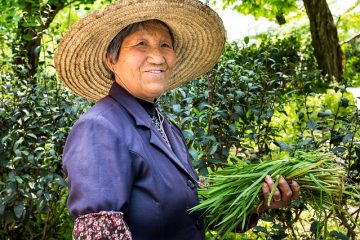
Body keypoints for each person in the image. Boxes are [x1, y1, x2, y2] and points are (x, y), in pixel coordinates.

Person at [55, 0, 300, 239]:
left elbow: (197, 212)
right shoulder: (99, 127)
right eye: (141, 43)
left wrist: (259, 199)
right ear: (112, 59)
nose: (158, 57)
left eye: (165, 45)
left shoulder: (166, 127)